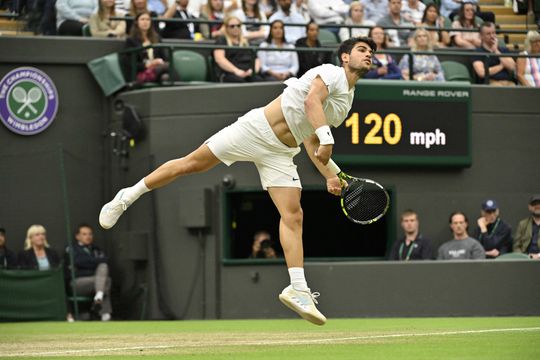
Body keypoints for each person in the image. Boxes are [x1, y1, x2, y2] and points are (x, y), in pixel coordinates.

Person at [99, 36, 376, 325]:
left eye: (371, 52)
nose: (368, 55)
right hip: (256, 129)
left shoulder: (346, 103)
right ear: (345, 57)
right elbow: (311, 102)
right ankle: (127, 196)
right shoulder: (331, 73)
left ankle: (298, 288)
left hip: (281, 153)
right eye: (362, 50)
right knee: (191, 164)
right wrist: (327, 139)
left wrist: (330, 175)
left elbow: (310, 139)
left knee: (293, 215)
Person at [65, 224, 112, 321]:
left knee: (103, 269)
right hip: (77, 283)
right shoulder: (71, 249)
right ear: (77, 236)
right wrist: (94, 262)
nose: (88, 236)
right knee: (105, 281)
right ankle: (104, 312)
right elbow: (78, 261)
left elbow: (106, 260)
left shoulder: (96, 249)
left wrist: (89, 262)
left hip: (94, 281)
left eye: (90, 234)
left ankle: (99, 298)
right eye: (84, 234)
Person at [125, 11, 170, 84]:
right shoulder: (131, 40)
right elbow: (129, 63)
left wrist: (158, 62)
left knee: (166, 78)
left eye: (148, 19)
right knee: (168, 66)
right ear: (137, 22)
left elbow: (164, 57)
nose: (145, 22)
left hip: (157, 70)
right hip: (141, 73)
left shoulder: (157, 38)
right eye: (142, 19)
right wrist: (148, 64)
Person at [213, 16, 263, 82]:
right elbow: (219, 59)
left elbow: (256, 59)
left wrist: (253, 70)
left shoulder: (246, 41)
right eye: (232, 26)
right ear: (226, 28)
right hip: (229, 73)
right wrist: (236, 71)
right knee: (239, 81)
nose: (236, 28)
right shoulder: (222, 40)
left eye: (238, 25)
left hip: (248, 72)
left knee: (258, 80)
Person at [513, 194, 540, 259]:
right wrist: (524, 257)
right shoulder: (522, 224)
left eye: (539, 203)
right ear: (529, 207)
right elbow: (516, 246)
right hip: (525, 260)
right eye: (534, 204)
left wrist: (538, 256)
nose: (537, 206)